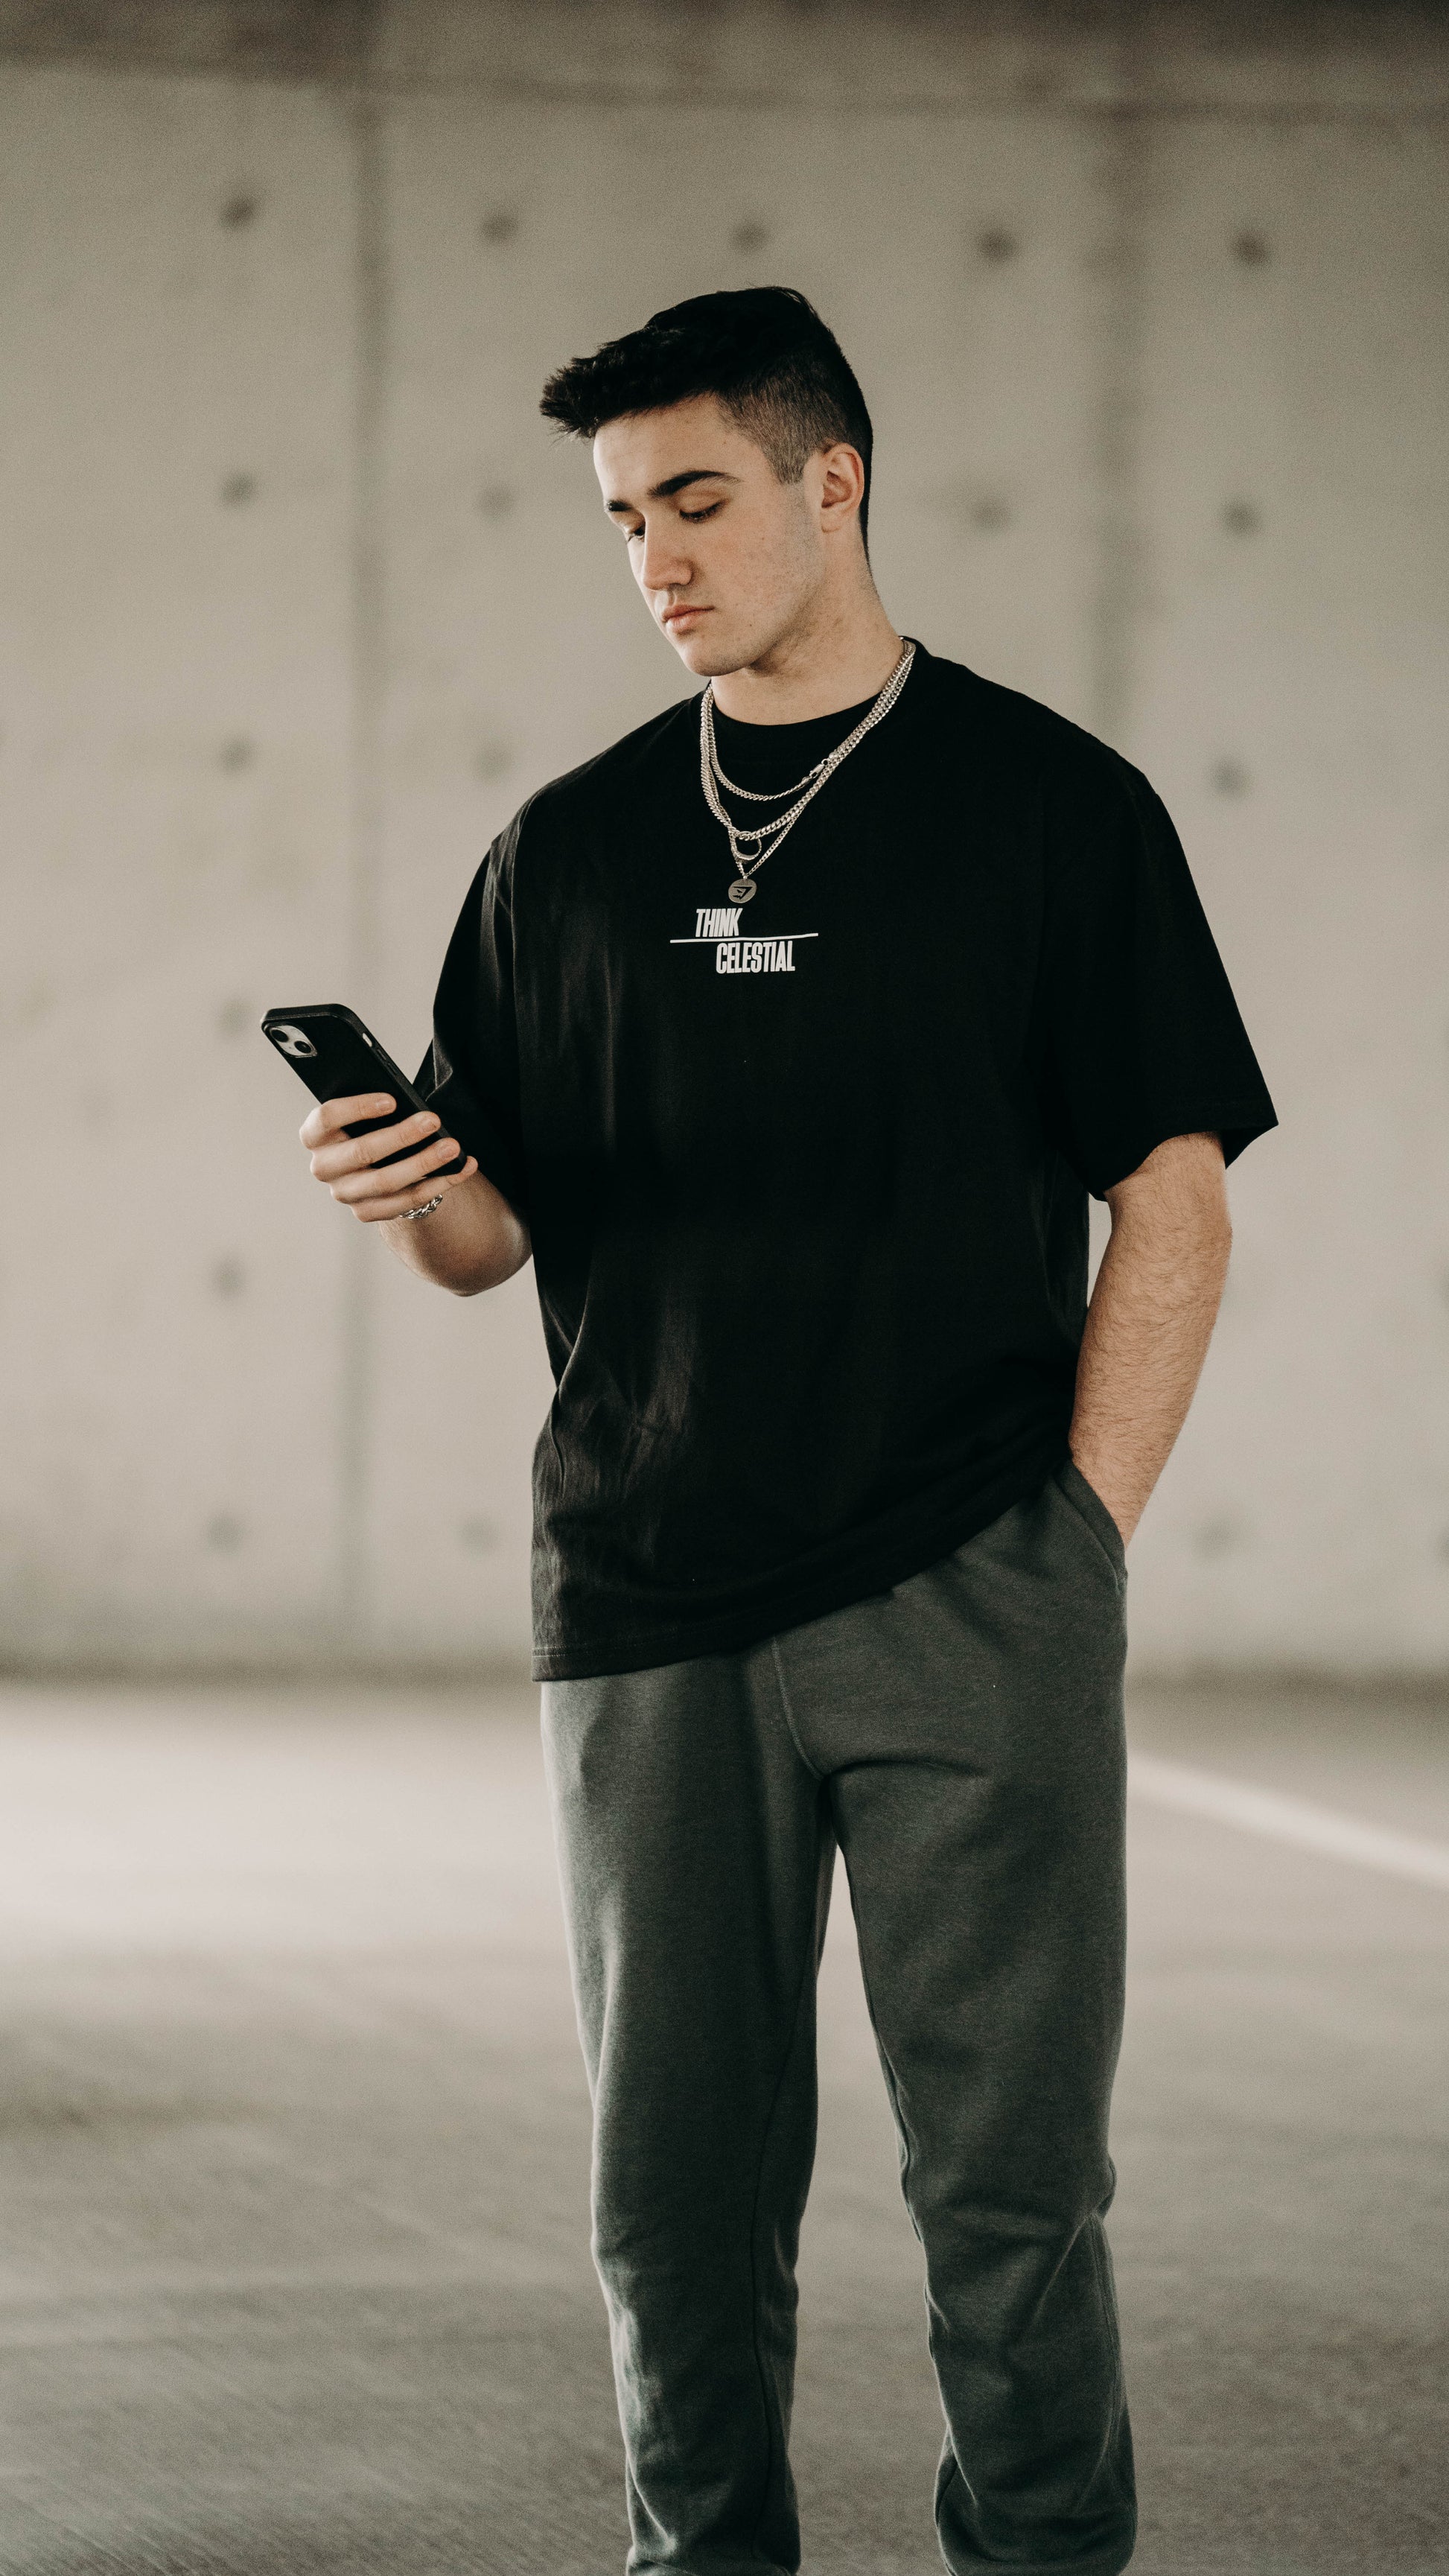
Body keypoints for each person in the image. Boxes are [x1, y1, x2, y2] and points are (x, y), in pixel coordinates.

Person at [297, 287, 1276, 2575]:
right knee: (669, 2201)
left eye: (697, 498)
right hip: (647, 1592)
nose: (655, 556)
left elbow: (1172, 1190)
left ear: (833, 482)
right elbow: (488, 1245)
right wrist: (407, 1182)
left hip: (969, 1574)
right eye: (621, 518)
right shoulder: (563, 852)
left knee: (1008, 2190)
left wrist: (1077, 1539)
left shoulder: (1049, 810)